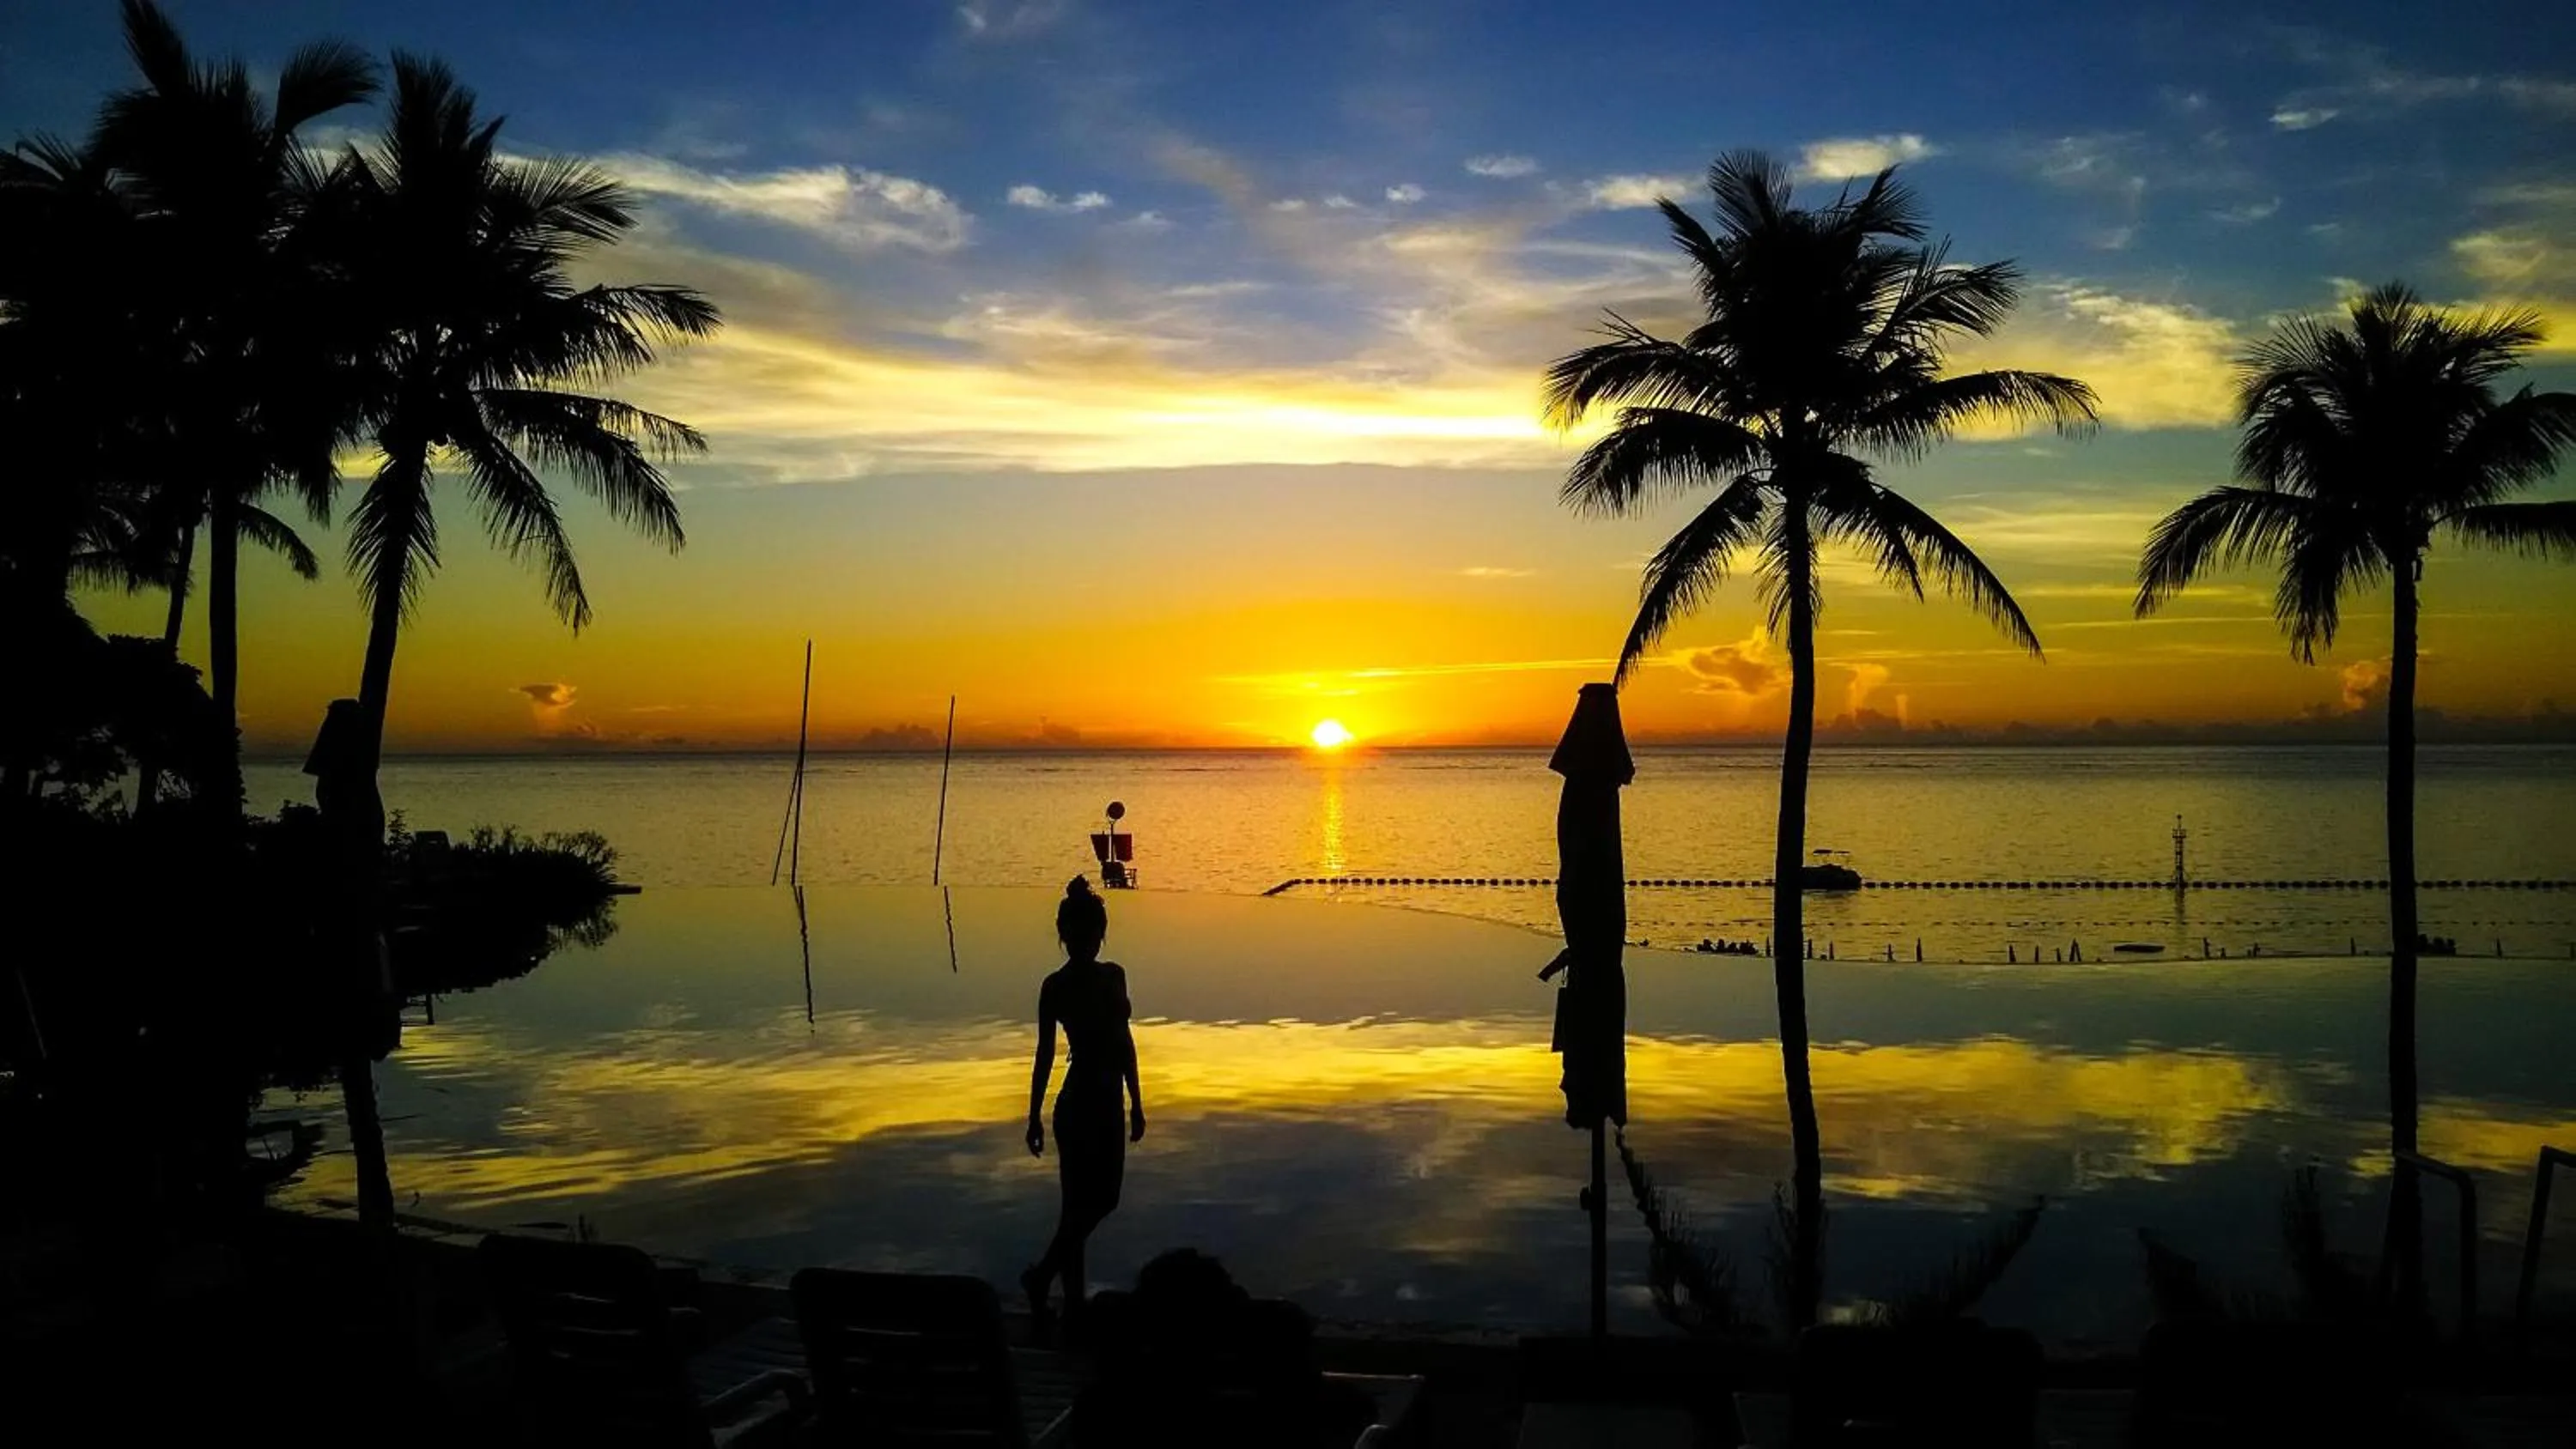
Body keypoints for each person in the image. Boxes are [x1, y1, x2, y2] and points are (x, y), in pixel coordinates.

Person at [1023, 876, 1145, 1318]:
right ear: (1064, 935)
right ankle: (1067, 1300)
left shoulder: (1115, 976)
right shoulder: (1054, 986)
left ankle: (1045, 1280)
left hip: (1110, 1101)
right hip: (1078, 1104)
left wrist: (1137, 1100)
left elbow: (1124, 1039)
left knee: (1097, 1202)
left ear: (1101, 933)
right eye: (1077, 933)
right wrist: (1034, 1115)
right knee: (1079, 1207)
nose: (1085, 941)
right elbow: (1044, 1053)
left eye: (1092, 933)